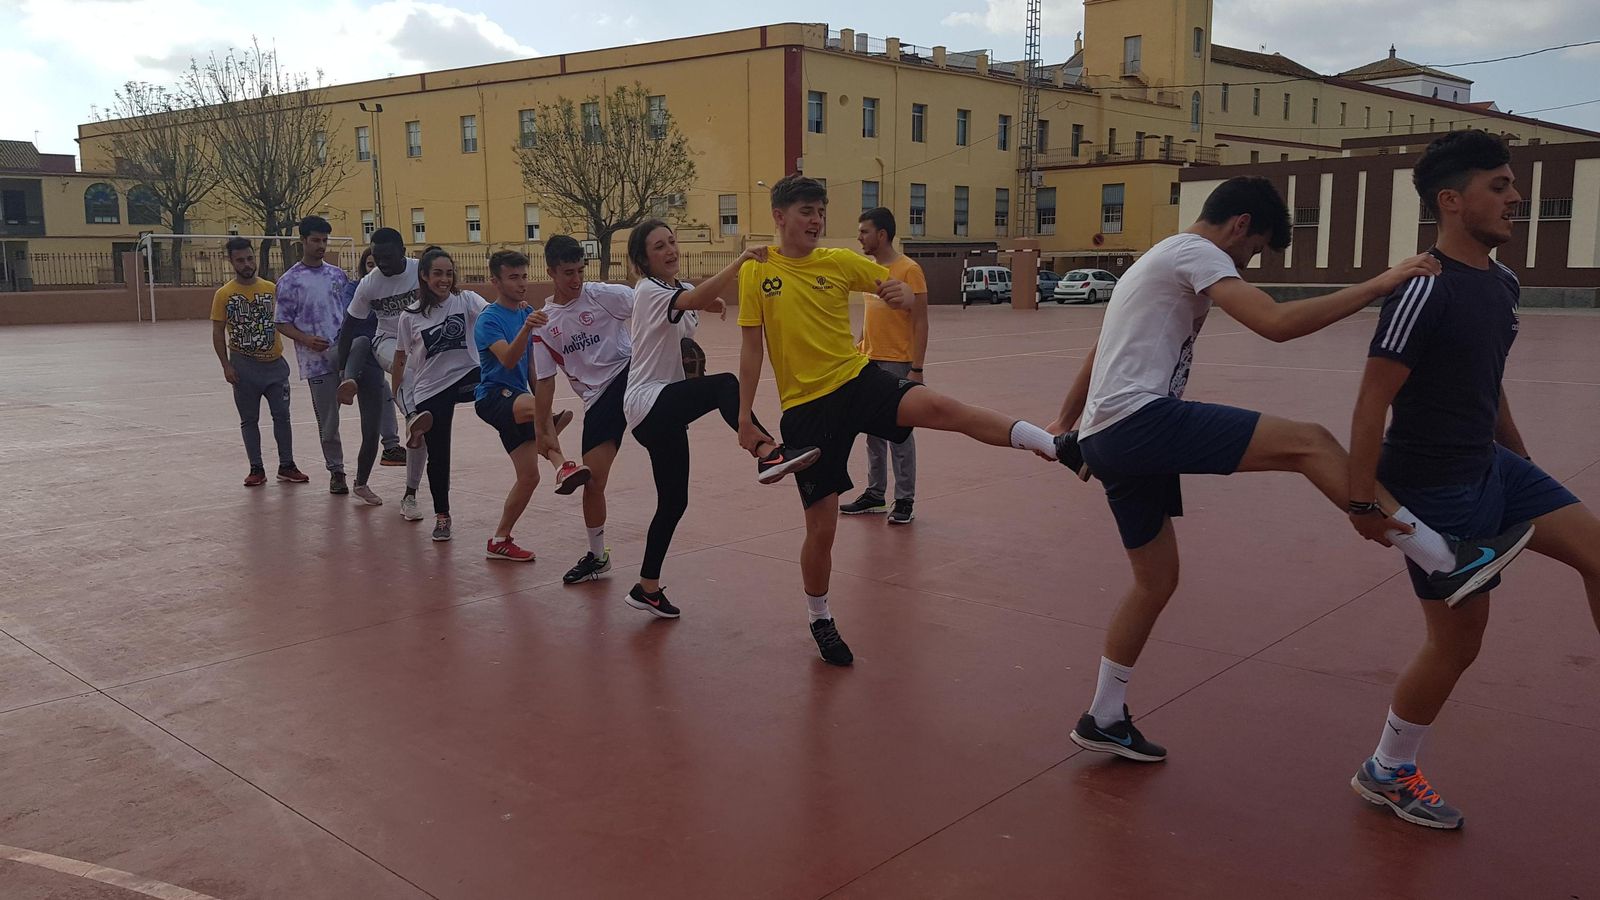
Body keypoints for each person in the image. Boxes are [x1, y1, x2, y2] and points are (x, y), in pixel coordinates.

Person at [1042, 175, 1532, 764]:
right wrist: (1382, 281)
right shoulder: (1196, 251)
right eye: (1254, 250)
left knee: (1156, 581)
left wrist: (1066, 428)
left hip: (1109, 433)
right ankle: (1443, 557)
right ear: (1241, 225)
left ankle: (1103, 715)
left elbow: (1100, 352)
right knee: (1311, 443)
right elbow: (1274, 325)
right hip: (1138, 422)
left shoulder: (1154, 260)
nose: (1247, 264)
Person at [1346, 131, 1598, 830]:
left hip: (1491, 465)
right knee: (1460, 643)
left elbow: (1489, 384)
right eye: (1499, 186)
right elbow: (1372, 402)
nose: (1516, 198)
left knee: (1598, 552)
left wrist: (1521, 459)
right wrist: (1365, 502)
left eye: (1513, 185)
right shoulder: (1424, 290)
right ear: (1452, 202)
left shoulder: (1503, 281)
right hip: (1432, 488)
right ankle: (1388, 770)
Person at [736, 175, 1062, 662]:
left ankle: (1052, 443)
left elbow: (895, 287)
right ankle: (820, 618)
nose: (817, 220)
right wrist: (745, 417)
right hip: (804, 409)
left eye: (821, 211)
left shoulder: (841, 261)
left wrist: (903, 299)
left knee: (938, 407)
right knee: (822, 530)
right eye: (806, 211)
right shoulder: (756, 273)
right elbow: (750, 349)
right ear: (780, 217)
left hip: (855, 380)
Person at [623, 220, 818, 619]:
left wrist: (707, 301)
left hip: (662, 412)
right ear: (644, 259)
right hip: (648, 402)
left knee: (674, 502)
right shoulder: (647, 289)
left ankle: (647, 588)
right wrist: (740, 262)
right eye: (659, 246)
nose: (671, 250)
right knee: (725, 385)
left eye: (672, 242)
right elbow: (689, 302)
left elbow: (690, 308)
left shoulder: (676, 291)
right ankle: (765, 449)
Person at [522, 236, 636, 583]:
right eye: (568, 272)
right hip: (599, 399)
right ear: (551, 272)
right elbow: (544, 381)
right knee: (593, 483)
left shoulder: (603, 294)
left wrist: (701, 301)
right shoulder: (545, 324)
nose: (576, 279)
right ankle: (597, 556)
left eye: (580, 271)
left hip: (630, 376)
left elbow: (654, 300)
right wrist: (543, 430)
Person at [473, 248, 586, 562]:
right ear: (495, 281)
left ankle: (499, 540)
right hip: (494, 397)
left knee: (529, 477)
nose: (521, 283)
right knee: (537, 411)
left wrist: (543, 397)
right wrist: (526, 328)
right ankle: (561, 460)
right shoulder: (488, 320)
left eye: (524, 276)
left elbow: (532, 368)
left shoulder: (526, 311)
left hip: (522, 397)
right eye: (513, 277)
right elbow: (509, 359)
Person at [839, 208, 929, 525]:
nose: (860, 237)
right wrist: (860, 349)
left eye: (864, 231)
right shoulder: (868, 270)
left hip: (898, 362)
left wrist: (917, 368)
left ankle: (904, 500)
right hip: (869, 361)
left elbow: (920, 321)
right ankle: (875, 495)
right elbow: (871, 317)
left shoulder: (909, 269)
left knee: (899, 433)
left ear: (882, 235)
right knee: (871, 432)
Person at [392, 247, 488, 541]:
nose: (444, 279)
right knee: (439, 454)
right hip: (431, 389)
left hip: (466, 376)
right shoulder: (409, 316)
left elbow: (491, 315)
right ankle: (442, 515)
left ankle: (532, 421)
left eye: (449, 273)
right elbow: (399, 360)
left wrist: (517, 308)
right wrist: (401, 400)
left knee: (499, 382)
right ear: (424, 276)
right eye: (437, 273)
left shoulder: (466, 300)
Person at [273, 215, 370, 497]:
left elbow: (350, 312)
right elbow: (281, 322)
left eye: (324, 240)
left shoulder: (337, 275)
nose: (321, 246)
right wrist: (305, 339)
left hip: (345, 355)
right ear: (302, 241)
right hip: (316, 363)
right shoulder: (289, 281)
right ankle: (336, 470)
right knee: (328, 421)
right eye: (315, 240)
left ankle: (386, 448)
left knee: (376, 398)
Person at [337, 229, 430, 519]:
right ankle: (411, 413)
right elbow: (349, 327)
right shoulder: (369, 284)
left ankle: (408, 490)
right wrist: (343, 371)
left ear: (404, 251)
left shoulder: (421, 271)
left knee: (421, 430)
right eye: (377, 258)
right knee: (408, 368)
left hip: (424, 341)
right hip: (387, 343)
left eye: (388, 257)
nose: (382, 264)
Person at [210, 237, 308, 487]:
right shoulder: (224, 294)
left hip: (275, 366)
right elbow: (217, 332)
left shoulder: (271, 289)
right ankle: (256, 468)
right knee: (249, 419)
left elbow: (286, 321)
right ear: (231, 261)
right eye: (240, 260)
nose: (246, 264)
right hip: (244, 367)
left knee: (282, 416)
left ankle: (287, 465)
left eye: (250, 258)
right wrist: (226, 365)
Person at [347, 248, 408, 469]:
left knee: (386, 392)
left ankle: (392, 446)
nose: (376, 268)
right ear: (363, 267)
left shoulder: (396, 288)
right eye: (370, 264)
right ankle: (348, 379)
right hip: (359, 352)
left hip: (381, 354)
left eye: (378, 263)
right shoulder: (358, 289)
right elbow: (350, 324)